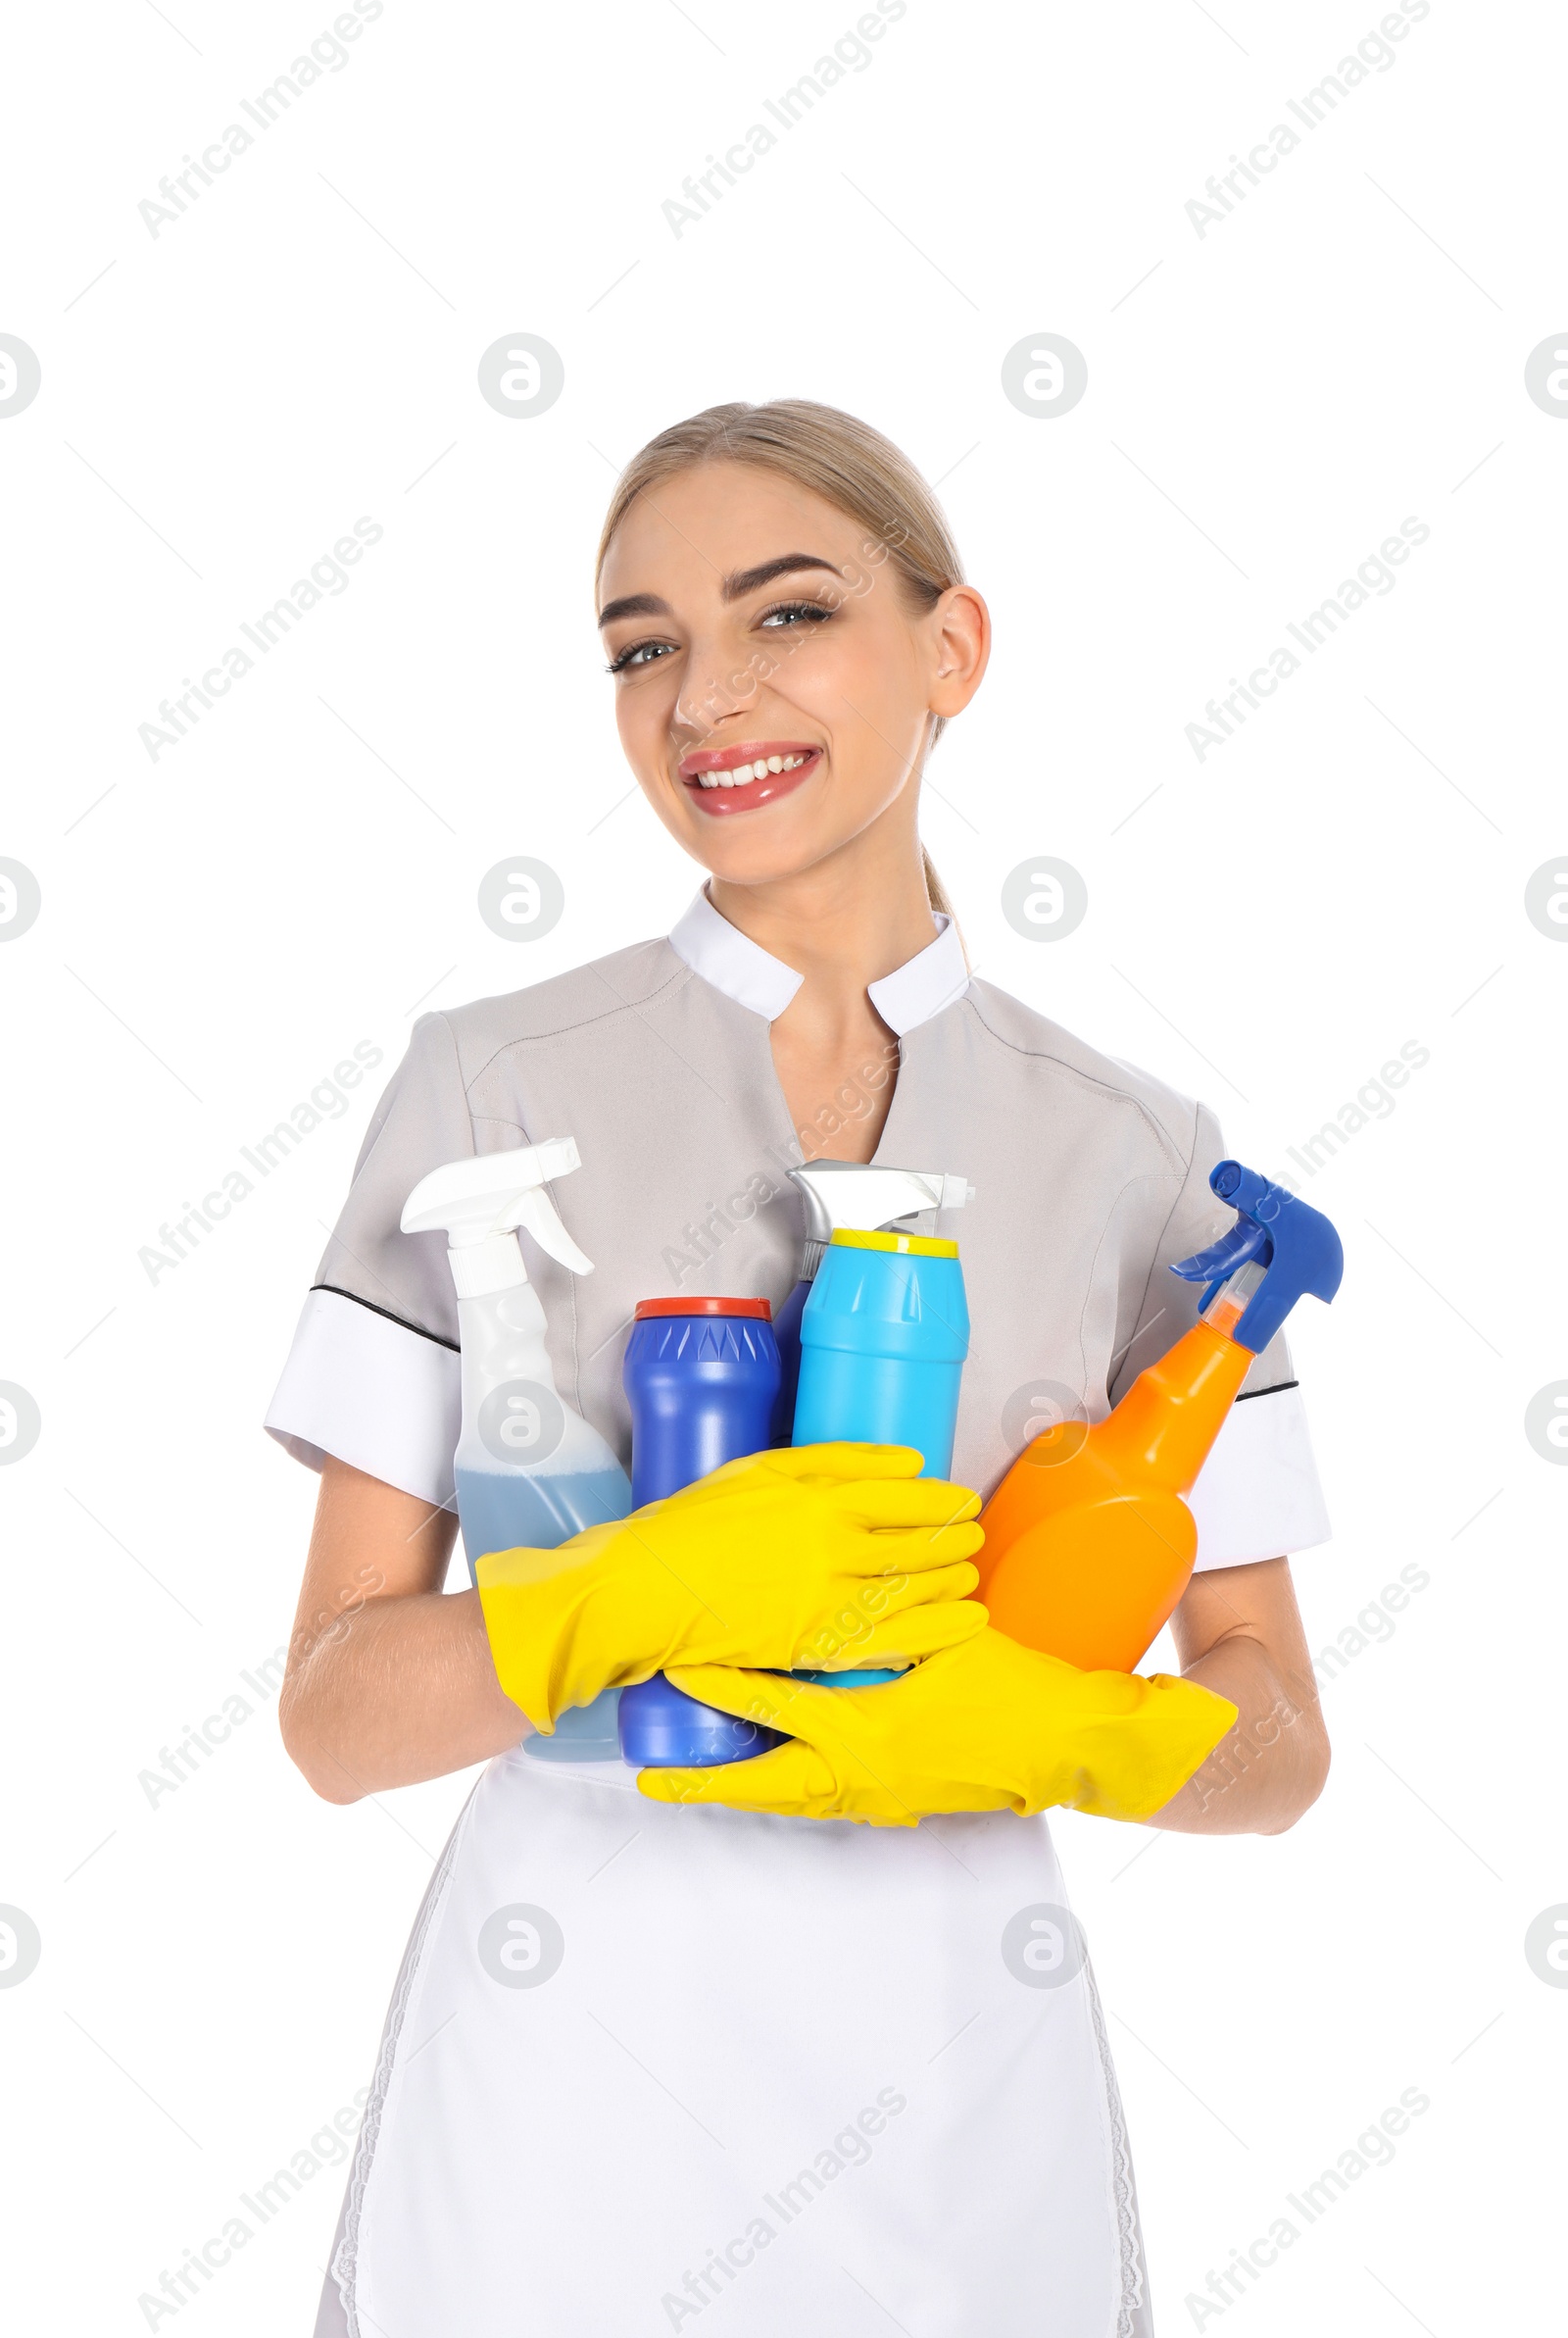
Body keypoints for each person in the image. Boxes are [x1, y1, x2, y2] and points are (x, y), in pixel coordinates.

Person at [270, 400, 1332, 2337]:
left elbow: (1273, 1741)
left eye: (786, 614)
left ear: (950, 652)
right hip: (560, 2092)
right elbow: (334, 1719)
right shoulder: (486, 1083)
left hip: (955, 2088)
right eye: (640, 642)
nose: (703, 695)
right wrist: (618, 1599)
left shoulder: (1137, 1153)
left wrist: (1061, 1732)